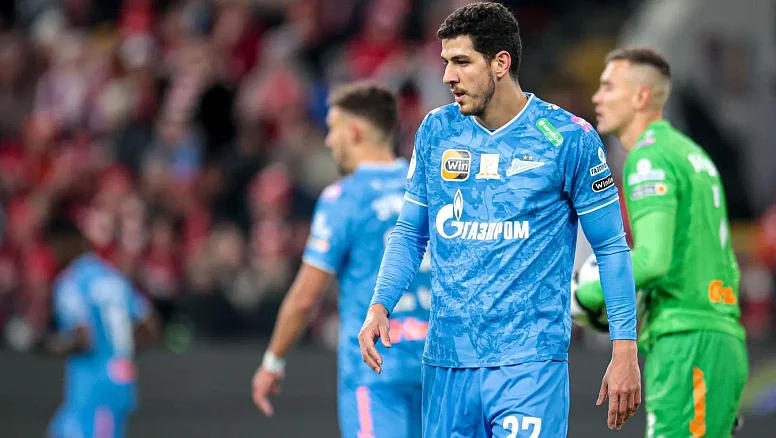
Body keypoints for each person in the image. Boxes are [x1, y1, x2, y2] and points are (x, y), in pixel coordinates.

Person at [357, 3, 641, 437]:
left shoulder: (569, 138)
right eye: (446, 62)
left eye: (461, 62)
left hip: (529, 365)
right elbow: (411, 232)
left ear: (500, 63)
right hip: (447, 363)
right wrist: (380, 304)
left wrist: (624, 351)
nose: (447, 76)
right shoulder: (436, 131)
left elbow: (611, 247)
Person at [575, 47, 748, 437]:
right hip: (720, 336)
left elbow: (653, 260)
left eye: (608, 86)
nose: (597, 97)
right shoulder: (691, 153)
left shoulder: (648, 159)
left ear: (641, 97)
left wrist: (587, 292)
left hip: (686, 340)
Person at [251, 82, 431, 438]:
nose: (329, 141)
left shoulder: (344, 198)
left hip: (376, 368)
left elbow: (305, 298)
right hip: (439, 362)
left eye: (334, 129)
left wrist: (273, 361)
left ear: (355, 131)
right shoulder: (430, 186)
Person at [38, 216, 159, 438]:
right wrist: (120, 349)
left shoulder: (71, 282)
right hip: (120, 377)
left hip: (93, 385)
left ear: (67, 243)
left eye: (54, 246)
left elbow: (85, 339)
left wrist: (51, 345)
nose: (53, 254)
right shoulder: (113, 277)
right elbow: (150, 325)